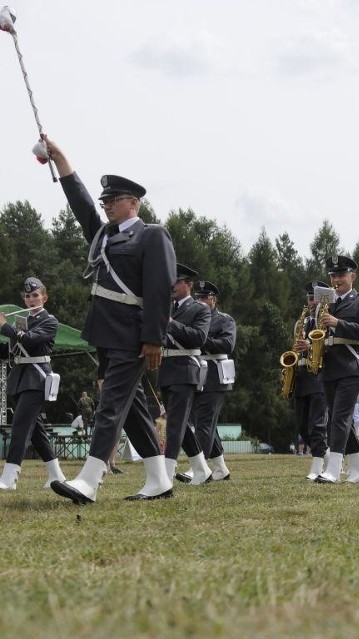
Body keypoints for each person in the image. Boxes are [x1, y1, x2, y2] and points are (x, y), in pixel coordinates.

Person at [46, 137, 176, 504]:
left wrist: (155, 338)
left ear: (133, 204)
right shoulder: (104, 236)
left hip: (133, 336)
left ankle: (89, 479)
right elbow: (81, 206)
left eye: (113, 201)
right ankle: (158, 480)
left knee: (111, 406)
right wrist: (62, 162)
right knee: (131, 408)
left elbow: (159, 288)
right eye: (105, 202)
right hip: (106, 334)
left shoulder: (151, 235)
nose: (105, 206)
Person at [0, 277, 66, 491]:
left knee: (20, 426)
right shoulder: (21, 321)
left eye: (35, 295)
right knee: (36, 430)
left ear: (44, 298)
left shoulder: (50, 321)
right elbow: (11, 350)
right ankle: (56, 475)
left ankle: (9, 478)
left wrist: (4, 327)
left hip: (37, 379)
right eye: (28, 296)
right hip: (20, 378)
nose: (31, 299)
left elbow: (28, 339)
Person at [315, 255, 359, 484]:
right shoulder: (326, 302)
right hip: (329, 366)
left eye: (341, 275)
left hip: (352, 366)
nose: (336, 279)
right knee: (342, 419)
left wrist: (337, 323)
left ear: (353, 276)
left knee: (339, 418)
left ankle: (333, 470)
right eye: (332, 275)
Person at [176, 279, 236, 482]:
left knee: (204, 422)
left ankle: (197, 467)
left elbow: (227, 344)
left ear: (214, 300)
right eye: (198, 297)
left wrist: (201, 339)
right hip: (197, 371)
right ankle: (220, 468)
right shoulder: (192, 317)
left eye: (205, 297)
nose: (201, 301)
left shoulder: (224, 320)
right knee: (207, 422)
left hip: (216, 374)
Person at [160, 264, 213, 485]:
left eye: (177, 281)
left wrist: (171, 324)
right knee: (180, 424)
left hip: (185, 369)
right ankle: (202, 470)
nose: (171, 285)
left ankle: (165, 475)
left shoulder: (200, 309)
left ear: (188, 285)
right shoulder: (166, 307)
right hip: (166, 368)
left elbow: (199, 338)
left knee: (174, 424)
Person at [292, 281, 329, 480]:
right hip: (302, 375)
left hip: (319, 374)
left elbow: (330, 348)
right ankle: (330, 457)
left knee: (317, 424)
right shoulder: (301, 322)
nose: (311, 301)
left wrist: (310, 345)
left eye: (314, 297)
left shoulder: (326, 320)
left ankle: (317, 465)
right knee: (302, 425)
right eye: (309, 297)